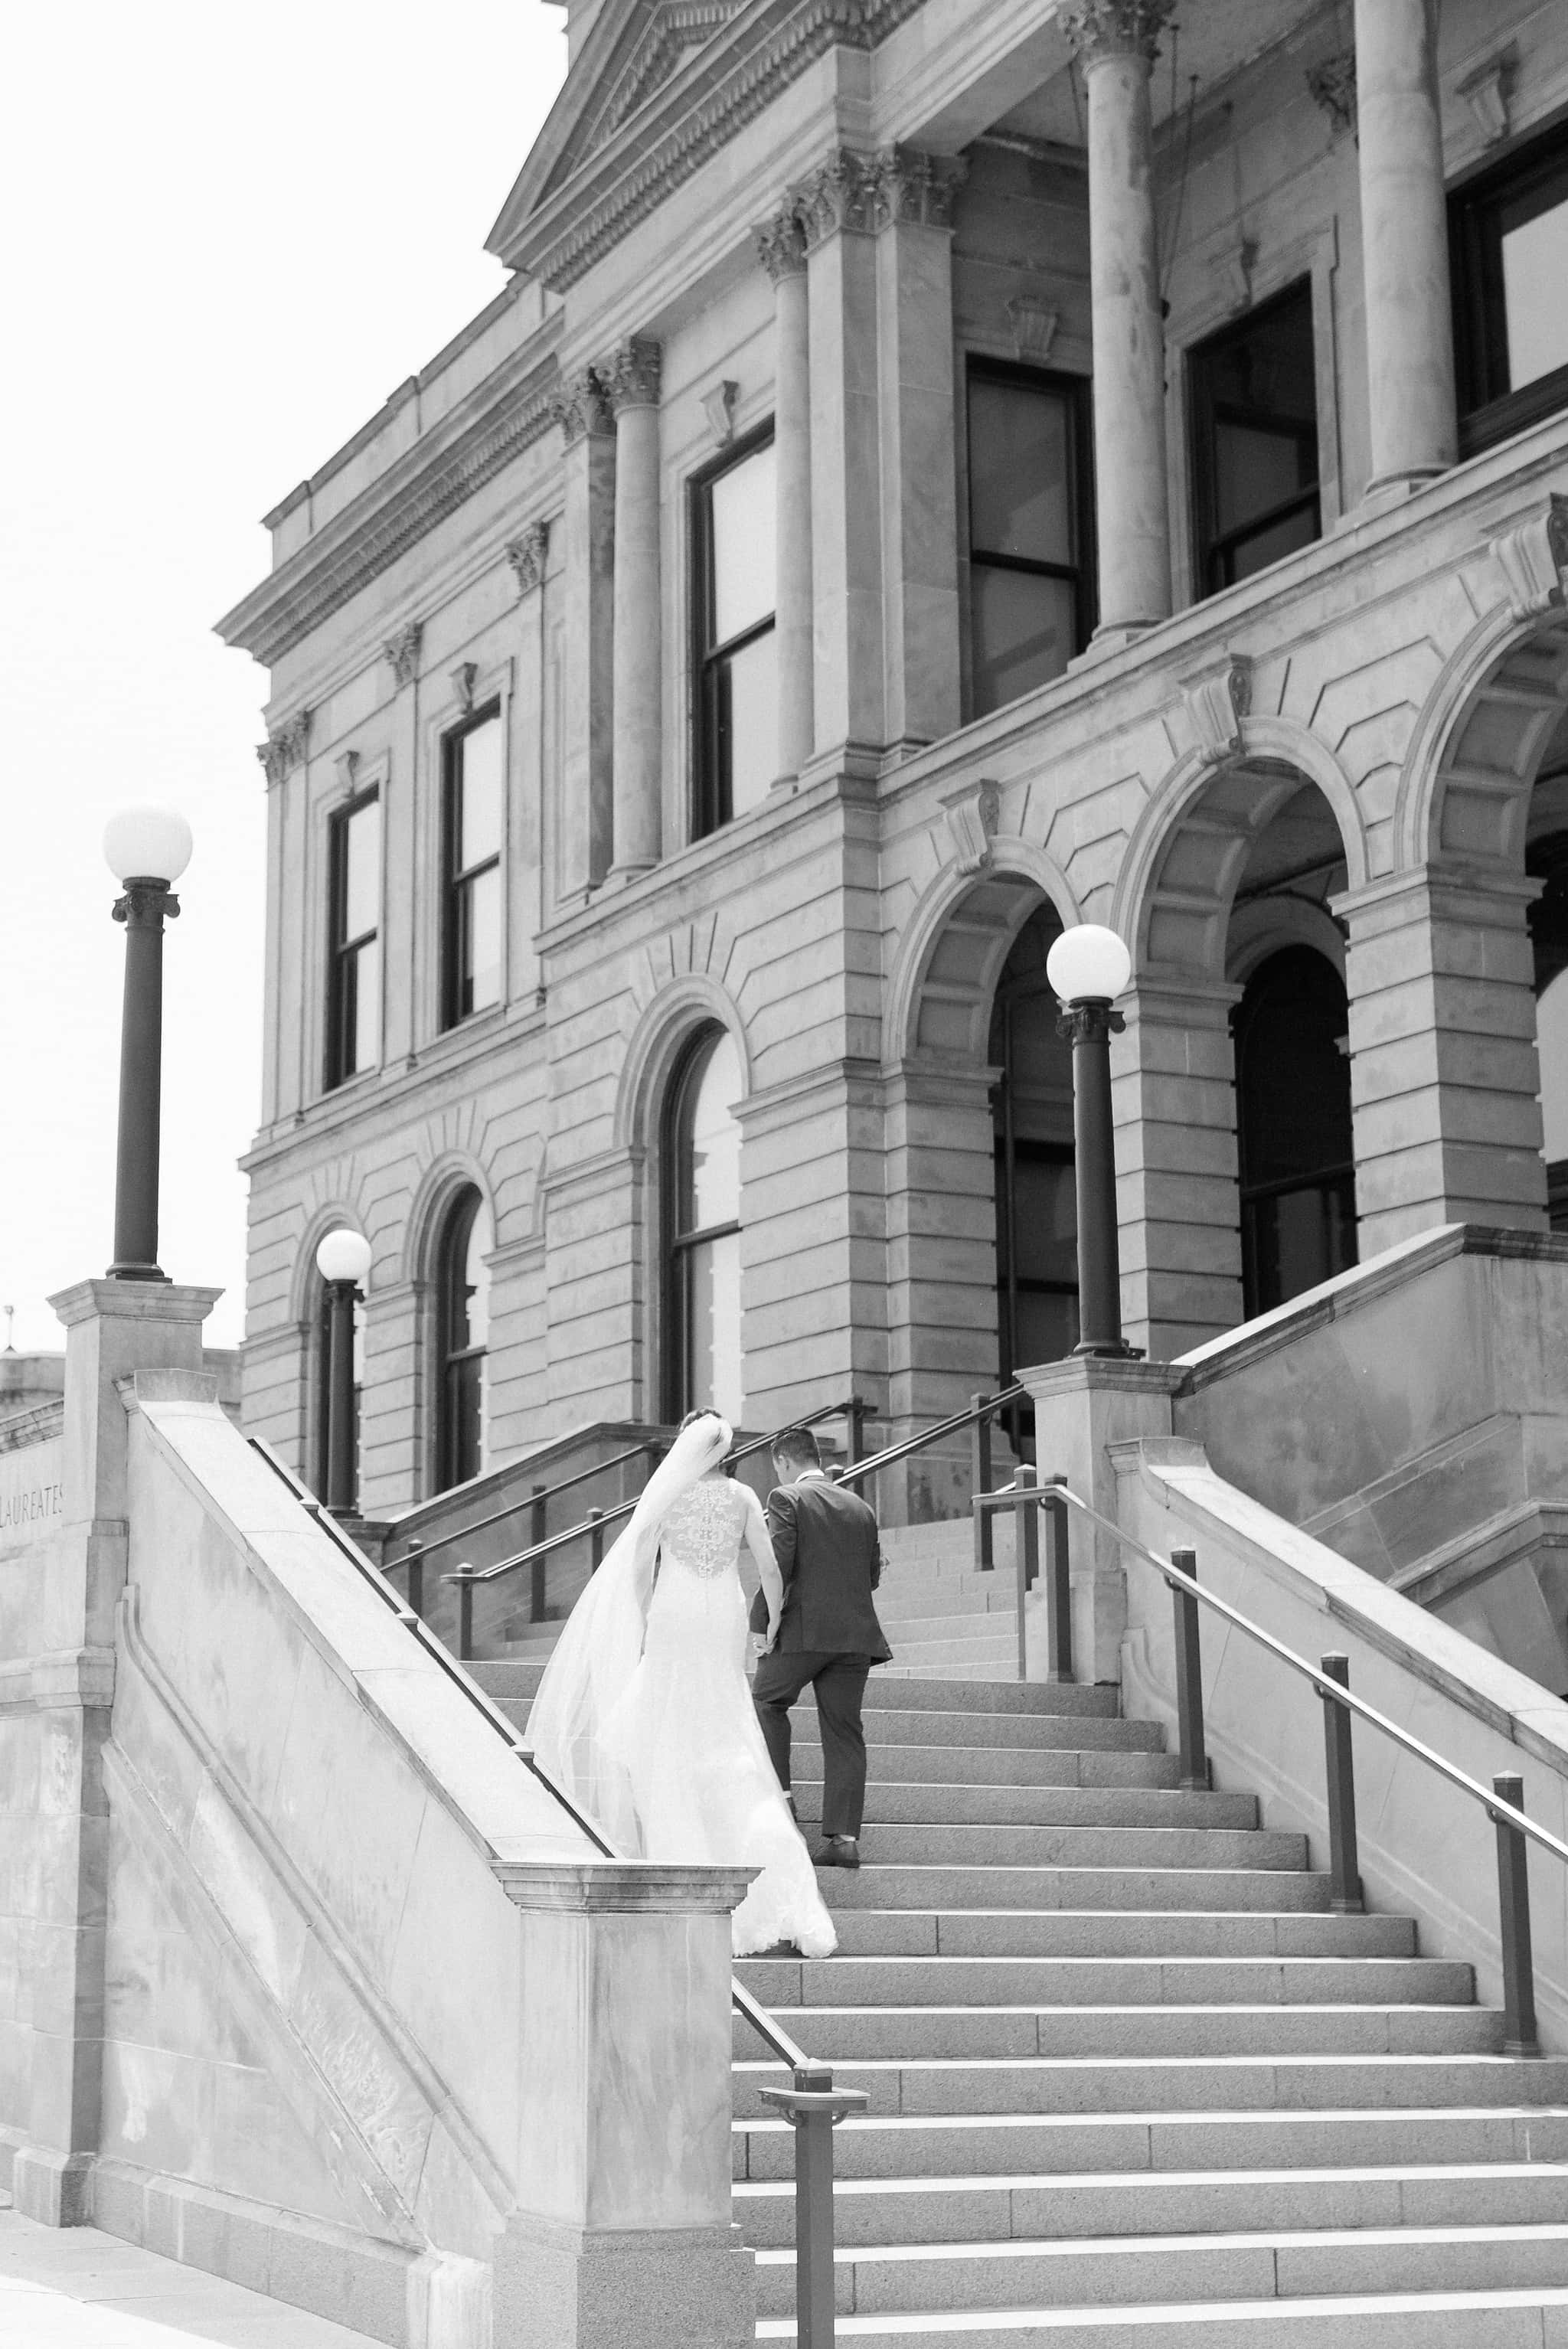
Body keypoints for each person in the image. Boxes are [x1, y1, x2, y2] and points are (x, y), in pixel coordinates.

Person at [524, 1410, 837, 1959]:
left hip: (675, 1610)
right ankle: (769, 1869)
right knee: (727, 1721)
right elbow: (768, 1568)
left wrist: (641, 1621)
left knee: (671, 1720)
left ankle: (680, 1837)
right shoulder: (742, 1496)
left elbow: (642, 1566)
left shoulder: (667, 1495)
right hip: (723, 1615)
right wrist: (777, 1621)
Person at [749, 1426, 891, 1870]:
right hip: (855, 1639)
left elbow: (779, 1567)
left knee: (766, 1702)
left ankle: (784, 1805)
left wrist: (762, 1623)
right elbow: (872, 1577)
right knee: (845, 1732)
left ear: (783, 1462)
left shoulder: (785, 1498)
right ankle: (844, 1841)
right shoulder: (861, 1506)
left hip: (803, 1632)